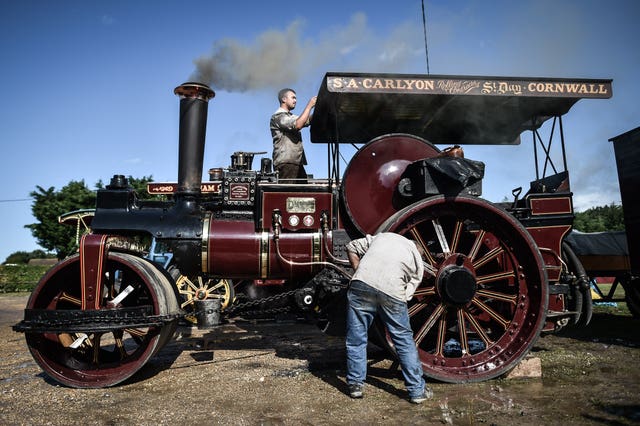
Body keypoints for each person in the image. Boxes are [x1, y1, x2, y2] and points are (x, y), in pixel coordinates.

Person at [345, 232, 433, 404]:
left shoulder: (383, 236)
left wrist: (358, 270)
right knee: (403, 341)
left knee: (356, 338)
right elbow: (409, 292)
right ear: (418, 249)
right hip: (392, 293)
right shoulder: (416, 257)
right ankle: (417, 391)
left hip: (361, 284)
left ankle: (355, 386)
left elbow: (351, 247)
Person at [270, 88, 316, 183]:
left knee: (302, 193)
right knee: (287, 194)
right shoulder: (278, 116)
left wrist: (320, 108)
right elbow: (298, 124)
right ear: (284, 99)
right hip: (286, 162)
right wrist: (309, 106)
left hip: (296, 162)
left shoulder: (290, 116)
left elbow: (306, 120)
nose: (295, 101)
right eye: (293, 98)